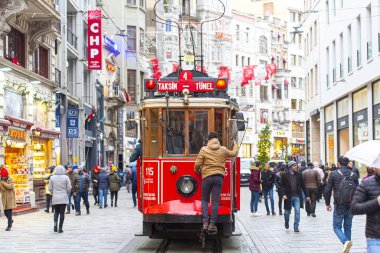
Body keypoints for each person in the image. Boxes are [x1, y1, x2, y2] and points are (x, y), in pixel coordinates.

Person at [194, 131, 239, 234]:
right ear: (217, 139)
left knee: (204, 200)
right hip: (219, 178)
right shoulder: (222, 149)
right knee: (215, 201)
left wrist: (198, 170)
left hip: (207, 177)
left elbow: (198, 164)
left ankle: (205, 222)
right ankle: (212, 224)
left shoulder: (204, 149)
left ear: (208, 139)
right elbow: (234, 153)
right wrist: (235, 144)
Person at [325, 156, 359, 253]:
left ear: (338, 163)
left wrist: (327, 203)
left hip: (339, 203)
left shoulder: (334, 174)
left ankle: (345, 242)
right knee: (348, 226)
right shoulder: (354, 174)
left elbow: (328, 190)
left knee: (336, 226)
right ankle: (347, 247)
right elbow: (358, 189)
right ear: (348, 163)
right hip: (351, 203)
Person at [351, 166, 380, 253]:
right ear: (374, 167)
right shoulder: (366, 183)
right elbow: (354, 208)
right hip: (376, 237)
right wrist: (376, 202)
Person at [280, 161, 308, 233]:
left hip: (297, 196)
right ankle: (286, 221)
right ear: (290, 167)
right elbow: (281, 186)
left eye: (296, 165)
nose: (296, 167)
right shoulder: (284, 175)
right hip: (288, 197)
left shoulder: (299, 174)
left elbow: (303, 186)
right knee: (287, 212)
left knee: (297, 211)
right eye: (294, 166)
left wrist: (307, 195)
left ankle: (296, 226)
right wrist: (283, 194)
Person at [48, 165, 72, 233]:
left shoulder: (52, 178)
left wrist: (54, 193)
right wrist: (67, 193)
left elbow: (50, 188)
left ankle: (55, 225)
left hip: (55, 197)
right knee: (62, 212)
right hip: (63, 197)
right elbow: (69, 188)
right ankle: (60, 228)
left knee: (56, 212)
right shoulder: (66, 177)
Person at [0, 167, 16, 231]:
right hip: (4, 197)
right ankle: (11, 220)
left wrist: (2, 182)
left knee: (9, 211)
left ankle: (9, 226)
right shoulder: (1, 180)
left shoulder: (10, 179)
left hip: (10, 197)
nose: (2, 177)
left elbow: (10, 187)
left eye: (3, 176)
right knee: (5, 212)